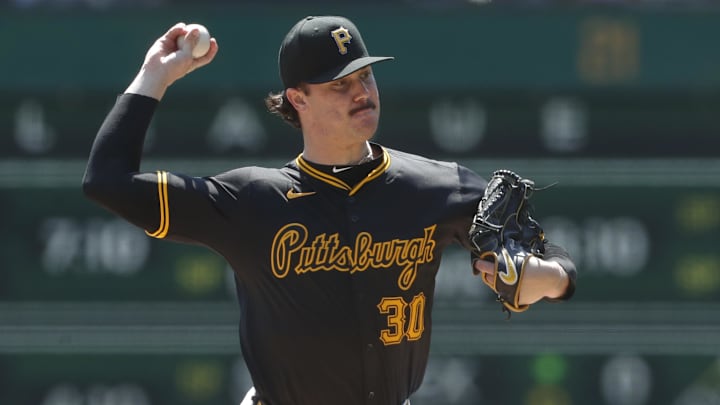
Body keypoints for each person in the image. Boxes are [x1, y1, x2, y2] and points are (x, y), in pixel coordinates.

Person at [82, 16, 576, 405]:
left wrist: (549, 278)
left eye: (365, 74)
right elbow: (107, 182)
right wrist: (154, 76)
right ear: (298, 99)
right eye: (340, 84)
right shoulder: (252, 200)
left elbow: (551, 257)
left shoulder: (435, 186)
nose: (361, 91)